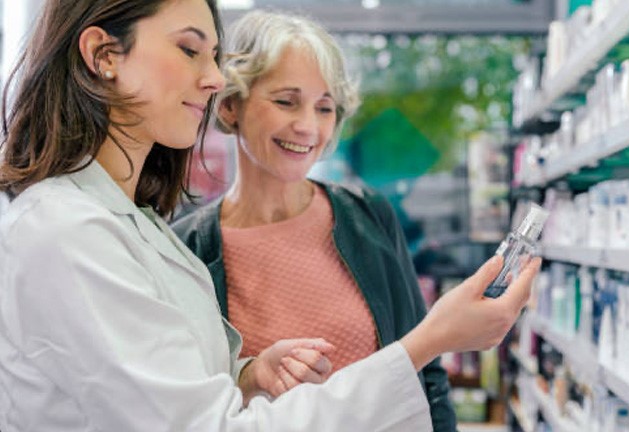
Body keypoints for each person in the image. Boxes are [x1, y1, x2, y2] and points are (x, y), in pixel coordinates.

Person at [0, 0, 541, 431]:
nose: (212, 78)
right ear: (104, 55)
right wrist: (433, 338)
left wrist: (248, 373)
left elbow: (171, 384)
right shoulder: (73, 233)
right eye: (190, 50)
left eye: (325, 107)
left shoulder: (135, 225)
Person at [171, 10, 460, 430]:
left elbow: (425, 371)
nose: (307, 126)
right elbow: (187, 405)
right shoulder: (188, 249)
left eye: (324, 108)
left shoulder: (367, 216)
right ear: (232, 105)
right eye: (286, 101)